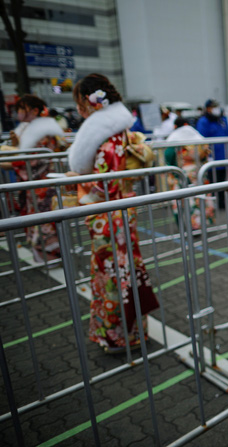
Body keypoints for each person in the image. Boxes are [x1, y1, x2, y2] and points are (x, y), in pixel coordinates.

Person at [67, 73, 158, 354]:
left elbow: (104, 186)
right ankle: (131, 331)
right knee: (122, 272)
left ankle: (122, 336)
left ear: (91, 101)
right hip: (117, 215)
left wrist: (77, 184)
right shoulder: (116, 133)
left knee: (113, 276)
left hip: (110, 217)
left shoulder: (108, 137)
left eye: (80, 101)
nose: (79, 109)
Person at [0, 94, 68, 262]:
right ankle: (48, 257)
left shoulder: (42, 132)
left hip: (42, 184)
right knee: (41, 222)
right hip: (38, 184)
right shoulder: (35, 129)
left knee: (45, 223)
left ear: (34, 110)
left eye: (21, 109)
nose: (18, 114)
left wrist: (11, 160)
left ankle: (52, 258)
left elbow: (31, 159)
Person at [165, 117, 216, 230]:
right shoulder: (196, 136)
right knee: (199, 198)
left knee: (184, 200)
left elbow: (168, 156)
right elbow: (206, 153)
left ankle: (186, 226)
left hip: (181, 173)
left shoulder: (174, 138)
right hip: (198, 172)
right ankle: (201, 224)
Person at [196, 98, 228, 209]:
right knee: (211, 183)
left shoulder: (221, 120)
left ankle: (222, 203)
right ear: (208, 109)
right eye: (213, 107)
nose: (216, 109)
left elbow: (227, 135)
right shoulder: (203, 121)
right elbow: (201, 138)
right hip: (211, 159)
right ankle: (212, 204)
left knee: (223, 182)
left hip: (223, 157)